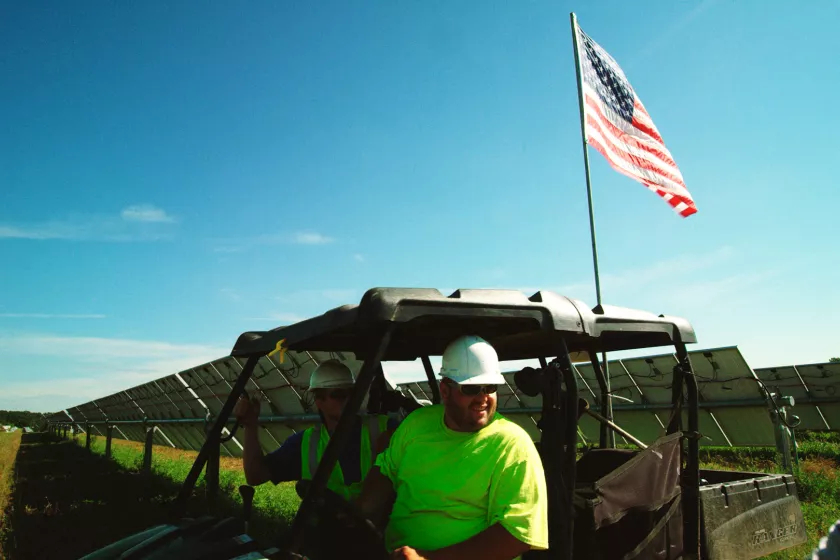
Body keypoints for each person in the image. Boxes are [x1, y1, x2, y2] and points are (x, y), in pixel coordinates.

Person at [357, 334, 549, 560]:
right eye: (471, 388)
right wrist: (354, 518)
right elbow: (385, 473)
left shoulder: (512, 444)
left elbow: (518, 534)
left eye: (490, 387)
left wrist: (428, 558)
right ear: (445, 391)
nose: (482, 398)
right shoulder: (417, 424)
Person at [233, 358, 398, 501]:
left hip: (380, 532)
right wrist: (250, 425)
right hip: (324, 533)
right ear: (319, 401)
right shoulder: (305, 443)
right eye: (339, 395)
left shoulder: (386, 428)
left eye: (352, 393)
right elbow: (255, 475)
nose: (349, 400)